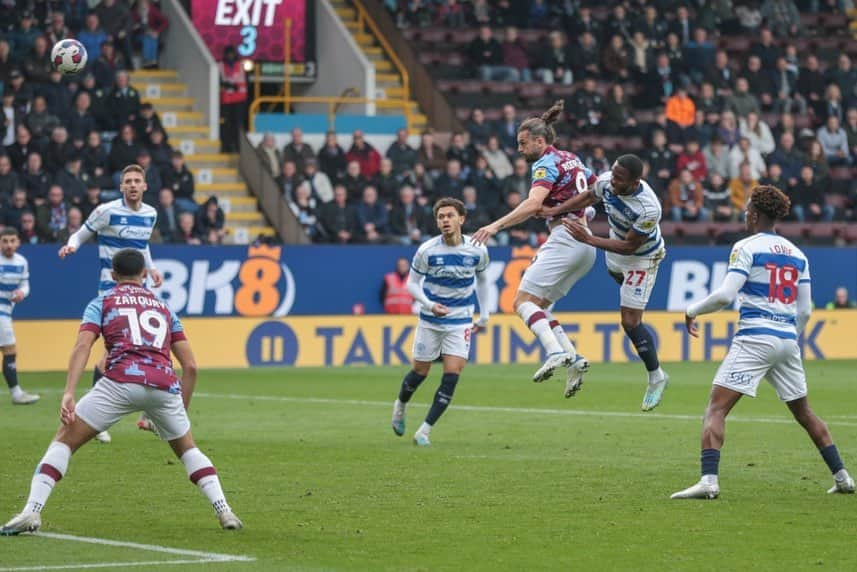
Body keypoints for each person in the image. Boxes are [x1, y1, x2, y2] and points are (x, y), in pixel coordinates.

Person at [0, 249, 242, 535]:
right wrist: (180, 408)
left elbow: (83, 346)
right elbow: (190, 366)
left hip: (119, 382)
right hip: (164, 385)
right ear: (144, 275)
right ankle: (224, 510)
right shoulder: (164, 308)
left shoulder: (102, 301)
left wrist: (68, 392)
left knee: (64, 440)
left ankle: (32, 511)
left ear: (112, 276)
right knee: (188, 449)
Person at [672, 185, 855, 500]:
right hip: (786, 339)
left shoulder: (746, 247)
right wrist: (788, 337)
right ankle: (843, 477)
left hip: (755, 336)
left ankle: (709, 481)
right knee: (805, 412)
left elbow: (726, 296)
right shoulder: (798, 254)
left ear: (754, 214)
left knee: (715, 409)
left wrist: (691, 310)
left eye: (746, 209)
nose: (745, 214)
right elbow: (806, 310)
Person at [472, 101, 595, 397]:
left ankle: (554, 352)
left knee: (521, 303)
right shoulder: (573, 159)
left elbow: (533, 204)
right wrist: (573, 212)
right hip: (586, 242)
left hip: (565, 239)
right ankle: (574, 359)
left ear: (540, 141)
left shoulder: (545, 163)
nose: (520, 150)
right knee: (539, 306)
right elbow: (593, 194)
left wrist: (495, 226)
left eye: (523, 144)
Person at [546, 155, 670, 411]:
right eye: (612, 174)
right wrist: (555, 211)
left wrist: (589, 240)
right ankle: (632, 293)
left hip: (641, 257)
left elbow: (630, 246)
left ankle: (656, 376)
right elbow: (590, 196)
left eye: (619, 178)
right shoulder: (607, 182)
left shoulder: (648, 209)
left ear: (635, 182)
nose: (612, 181)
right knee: (619, 280)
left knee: (629, 321)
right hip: (614, 251)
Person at [58, 164, 163, 444]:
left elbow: (142, 246)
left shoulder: (151, 214)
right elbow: (82, 233)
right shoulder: (106, 211)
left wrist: (151, 268)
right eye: (127, 180)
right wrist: (71, 246)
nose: (131, 185)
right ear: (121, 187)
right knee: (115, 352)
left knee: (139, 348)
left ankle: (106, 418)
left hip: (138, 289)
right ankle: (98, 417)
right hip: (110, 289)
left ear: (144, 186)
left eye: (136, 180)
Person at [391, 198, 489, 447]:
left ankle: (424, 431)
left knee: (452, 373)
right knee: (420, 372)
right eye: (440, 217)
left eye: (449, 216)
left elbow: (483, 281)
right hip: (430, 320)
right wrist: (429, 305)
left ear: (461, 219)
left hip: (460, 321)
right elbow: (412, 284)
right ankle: (400, 405)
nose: (445, 220)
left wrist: (485, 314)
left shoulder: (477, 249)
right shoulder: (427, 250)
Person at [0, 228, 38, 405]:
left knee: (9, 351)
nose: (8, 245)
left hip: (6, 310)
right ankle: (16, 394)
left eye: (11, 241)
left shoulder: (22, 262)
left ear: (18, 242)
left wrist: (22, 293)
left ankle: (16, 393)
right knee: (10, 350)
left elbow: (25, 284)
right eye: (4, 241)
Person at [218, 46, 247, 153]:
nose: (230, 56)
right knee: (226, 125)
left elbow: (245, 82)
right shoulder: (220, 66)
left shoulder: (241, 65)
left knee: (238, 125)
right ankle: (226, 147)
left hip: (239, 101)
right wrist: (226, 85)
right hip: (226, 101)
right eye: (228, 54)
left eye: (232, 54)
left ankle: (238, 147)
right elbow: (218, 81)